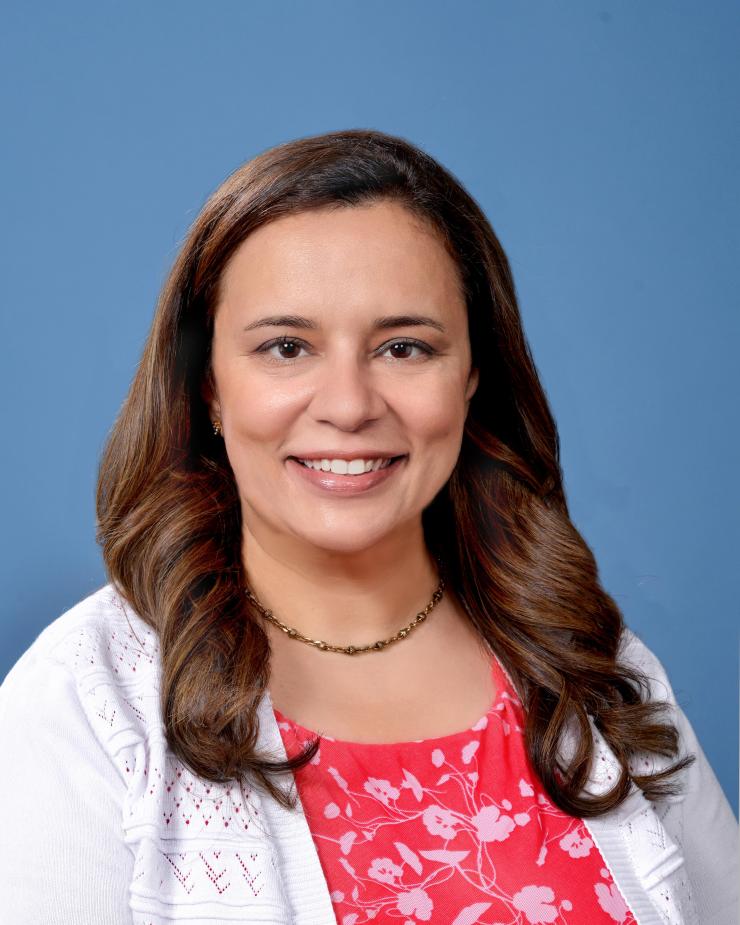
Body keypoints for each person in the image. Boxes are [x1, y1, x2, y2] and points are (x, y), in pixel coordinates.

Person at [0, 128, 736, 925]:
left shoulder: (592, 667)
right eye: (286, 347)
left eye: (404, 347)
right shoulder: (87, 697)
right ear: (207, 385)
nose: (349, 405)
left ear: (472, 373)